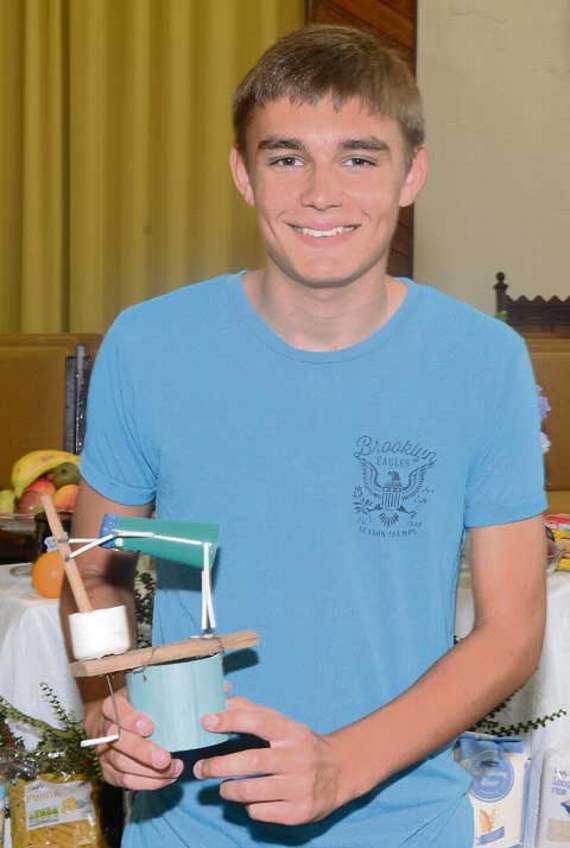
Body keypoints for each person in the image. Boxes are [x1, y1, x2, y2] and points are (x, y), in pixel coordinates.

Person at [61, 24, 547, 848]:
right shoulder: (149, 345)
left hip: (404, 825)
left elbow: (512, 632)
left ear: (412, 174)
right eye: (287, 158)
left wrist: (345, 764)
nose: (322, 193)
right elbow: (93, 573)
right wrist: (108, 708)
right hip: (185, 828)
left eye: (359, 158)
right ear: (243, 174)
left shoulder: (483, 361)